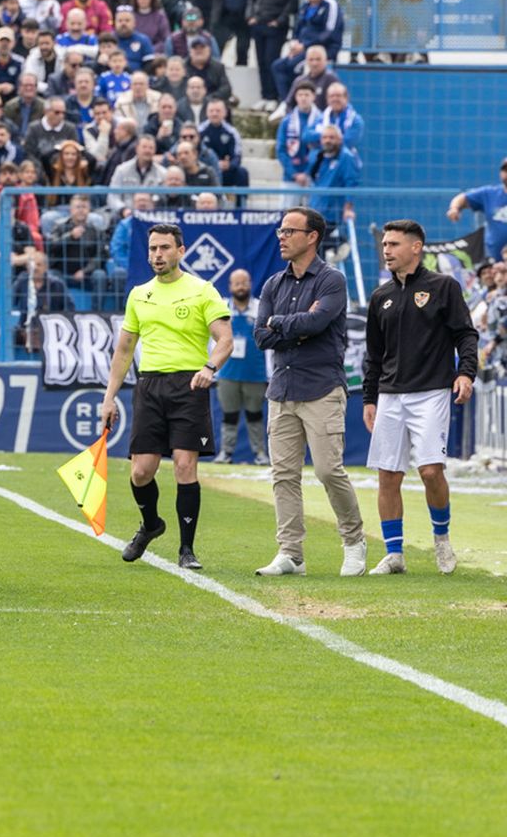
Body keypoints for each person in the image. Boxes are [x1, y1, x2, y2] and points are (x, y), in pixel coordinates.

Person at [101, 223, 234, 570]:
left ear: (181, 251)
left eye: (164, 248)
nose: (157, 255)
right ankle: (151, 524)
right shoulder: (139, 294)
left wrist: (209, 368)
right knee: (141, 472)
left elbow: (225, 340)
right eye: (152, 249)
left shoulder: (203, 291)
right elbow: (124, 350)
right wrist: (109, 397)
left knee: (184, 466)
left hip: (189, 387)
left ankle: (186, 550)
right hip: (149, 387)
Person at [252, 207, 367, 576]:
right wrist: (295, 326)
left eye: (289, 230)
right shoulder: (273, 284)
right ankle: (291, 554)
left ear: (312, 236)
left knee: (328, 470)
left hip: (321, 388)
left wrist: (282, 324)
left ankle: (354, 541)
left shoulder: (332, 280)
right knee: (283, 475)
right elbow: (260, 336)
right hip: (282, 389)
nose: (281, 236)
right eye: (280, 231)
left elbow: (318, 322)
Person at [361, 220, 479, 576]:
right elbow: (373, 353)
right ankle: (394, 553)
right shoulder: (380, 296)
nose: (387, 251)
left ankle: (441, 540)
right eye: (384, 245)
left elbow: (465, 334)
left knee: (429, 470)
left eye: (394, 245)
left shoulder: (443, 287)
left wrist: (466, 373)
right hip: (390, 396)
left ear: (416, 248)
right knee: (388, 476)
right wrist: (370, 398)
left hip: (431, 392)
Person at [211, 268, 268, 465]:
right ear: (230, 286)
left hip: (256, 374)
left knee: (255, 416)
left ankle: (260, 454)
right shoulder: (221, 309)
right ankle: (225, 453)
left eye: (244, 282)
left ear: (251, 284)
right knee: (229, 416)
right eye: (237, 283)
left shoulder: (261, 308)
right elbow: (213, 342)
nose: (241, 287)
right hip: (227, 373)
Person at [446, 157, 507, 263]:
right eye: (505, 169)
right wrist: (454, 208)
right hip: (494, 263)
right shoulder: (489, 194)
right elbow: (461, 198)